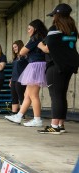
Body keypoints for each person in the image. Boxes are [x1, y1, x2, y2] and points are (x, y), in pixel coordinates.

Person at [37, 3, 79, 134]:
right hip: (69, 65)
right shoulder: (72, 30)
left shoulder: (54, 29)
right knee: (61, 95)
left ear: (57, 15)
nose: (53, 17)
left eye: (54, 15)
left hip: (55, 66)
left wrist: (40, 46)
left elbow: (48, 48)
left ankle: (54, 126)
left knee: (55, 95)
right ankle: (60, 125)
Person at [5, 19, 48, 127]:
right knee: (27, 94)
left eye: (29, 29)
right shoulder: (41, 37)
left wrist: (28, 42)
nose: (28, 31)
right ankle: (19, 116)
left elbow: (22, 51)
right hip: (36, 64)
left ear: (35, 29)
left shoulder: (35, 38)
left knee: (33, 95)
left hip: (36, 65)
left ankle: (37, 119)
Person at [9, 40, 28, 114]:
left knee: (21, 97)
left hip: (21, 79)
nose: (14, 49)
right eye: (13, 48)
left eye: (15, 47)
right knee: (14, 97)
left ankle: (21, 114)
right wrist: (11, 79)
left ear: (20, 46)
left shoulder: (25, 56)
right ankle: (14, 114)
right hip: (14, 79)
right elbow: (14, 69)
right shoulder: (15, 58)